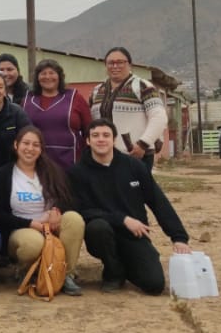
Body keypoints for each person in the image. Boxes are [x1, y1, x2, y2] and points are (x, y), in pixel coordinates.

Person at [70, 119, 191, 295]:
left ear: (114, 140)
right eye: (95, 136)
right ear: (88, 141)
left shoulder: (134, 166)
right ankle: (113, 273)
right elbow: (81, 211)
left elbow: (157, 201)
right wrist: (122, 219)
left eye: (106, 135)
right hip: (101, 234)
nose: (101, 139)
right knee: (98, 227)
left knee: (154, 284)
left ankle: (125, 263)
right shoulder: (77, 172)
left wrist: (178, 236)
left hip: (134, 234)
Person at [0, 127, 83, 296]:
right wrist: (31, 224)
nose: (30, 149)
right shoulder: (3, 174)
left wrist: (56, 210)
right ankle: (28, 271)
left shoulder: (52, 171)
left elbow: (71, 200)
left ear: (41, 149)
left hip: (50, 226)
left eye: (36, 145)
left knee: (74, 219)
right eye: (25, 143)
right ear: (16, 145)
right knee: (33, 243)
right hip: (21, 230)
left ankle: (65, 274)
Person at [90, 47, 167, 171]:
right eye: (111, 63)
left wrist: (143, 144)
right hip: (104, 156)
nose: (115, 66)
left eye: (120, 62)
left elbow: (159, 116)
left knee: (136, 190)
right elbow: (93, 122)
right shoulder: (97, 90)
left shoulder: (142, 86)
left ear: (129, 64)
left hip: (135, 154)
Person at [23, 60, 91, 170]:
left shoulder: (75, 98)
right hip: (35, 162)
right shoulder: (27, 100)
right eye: (43, 73)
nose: (47, 76)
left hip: (70, 163)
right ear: (37, 78)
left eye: (52, 73)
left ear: (59, 76)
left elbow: (89, 130)